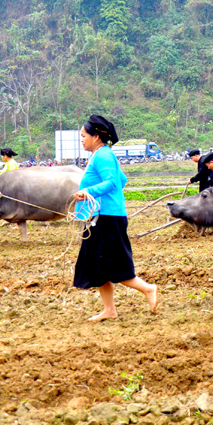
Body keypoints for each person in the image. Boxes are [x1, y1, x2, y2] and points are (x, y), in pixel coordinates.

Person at [72, 115, 158, 321]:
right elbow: (122, 180)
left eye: (84, 136)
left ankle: (148, 289)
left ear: (96, 136)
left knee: (114, 265)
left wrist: (88, 192)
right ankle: (109, 310)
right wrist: (109, 199)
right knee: (97, 265)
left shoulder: (103, 156)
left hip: (108, 218)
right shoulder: (101, 155)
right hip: (100, 216)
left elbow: (112, 182)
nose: (81, 140)